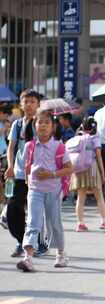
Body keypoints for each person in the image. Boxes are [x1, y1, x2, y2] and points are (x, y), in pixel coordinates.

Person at [16, 109, 73, 272]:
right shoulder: (29, 146)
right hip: (35, 190)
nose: (43, 125)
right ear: (35, 125)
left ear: (53, 127)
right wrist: (29, 182)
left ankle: (61, 253)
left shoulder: (59, 146)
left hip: (54, 191)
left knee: (54, 223)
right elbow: (26, 167)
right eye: (40, 122)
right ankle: (28, 258)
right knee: (33, 222)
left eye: (47, 123)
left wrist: (52, 174)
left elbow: (69, 169)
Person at [5, 90, 48, 258]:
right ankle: (21, 240)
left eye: (32, 101)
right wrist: (10, 166)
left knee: (34, 210)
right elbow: (11, 147)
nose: (29, 104)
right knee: (13, 209)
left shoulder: (41, 123)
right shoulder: (17, 124)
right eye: (26, 101)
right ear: (21, 104)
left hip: (37, 175)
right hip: (19, 173)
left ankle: (37, 243)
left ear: (38, 104)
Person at [71, 117, 105, 232]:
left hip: (78, 168)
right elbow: (98, 157)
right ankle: (104, 221)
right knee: (98, 195)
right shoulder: (95, 138)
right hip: (92, 168)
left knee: (81, 196)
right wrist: (103, 175)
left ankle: (80, 223)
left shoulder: (77, 137)